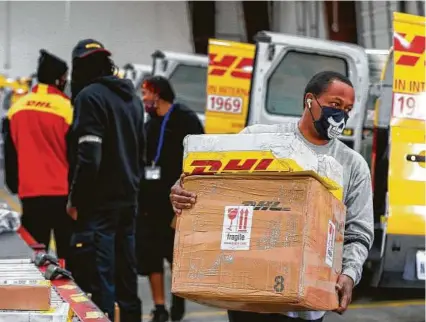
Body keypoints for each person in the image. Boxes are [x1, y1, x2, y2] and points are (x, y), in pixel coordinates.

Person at [169, 71, 374, 322]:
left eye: (348, 109)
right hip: (248, 297)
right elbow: (211, 182)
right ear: (309, 100)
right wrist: (181, 189)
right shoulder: (259, 140)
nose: (341, 115)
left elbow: (359, 233)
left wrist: (350, 273)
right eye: (335, 105)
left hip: (307, 307)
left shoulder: (352, 166)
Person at [67, 39, 144, 322]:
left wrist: (76, 199)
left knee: (101, 284)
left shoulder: (90, 97)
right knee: (127, 278)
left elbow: (90, 156)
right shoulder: (132, 98)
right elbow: (141, 152)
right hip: (128, 201)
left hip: (100, 207)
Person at [136, 76, 204, 322]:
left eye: (146, 93)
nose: (143, 99)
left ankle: (178, 302)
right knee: (151, 256)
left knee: (176, 256)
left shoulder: (185, 119)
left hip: (177, 203)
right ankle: (160, 307)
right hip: (149, 204)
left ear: (158, 94)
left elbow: (200, 159)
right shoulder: (148, 124)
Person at [2, 49, 73, 268]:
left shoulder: (16, 109)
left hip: (30, 193)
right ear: (58, 79)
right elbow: (76, 155)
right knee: (67, 253)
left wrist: (15, 186)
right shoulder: (67, 108)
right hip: (62, 194)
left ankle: (39, 298)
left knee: (36, 254)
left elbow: (10, 155)